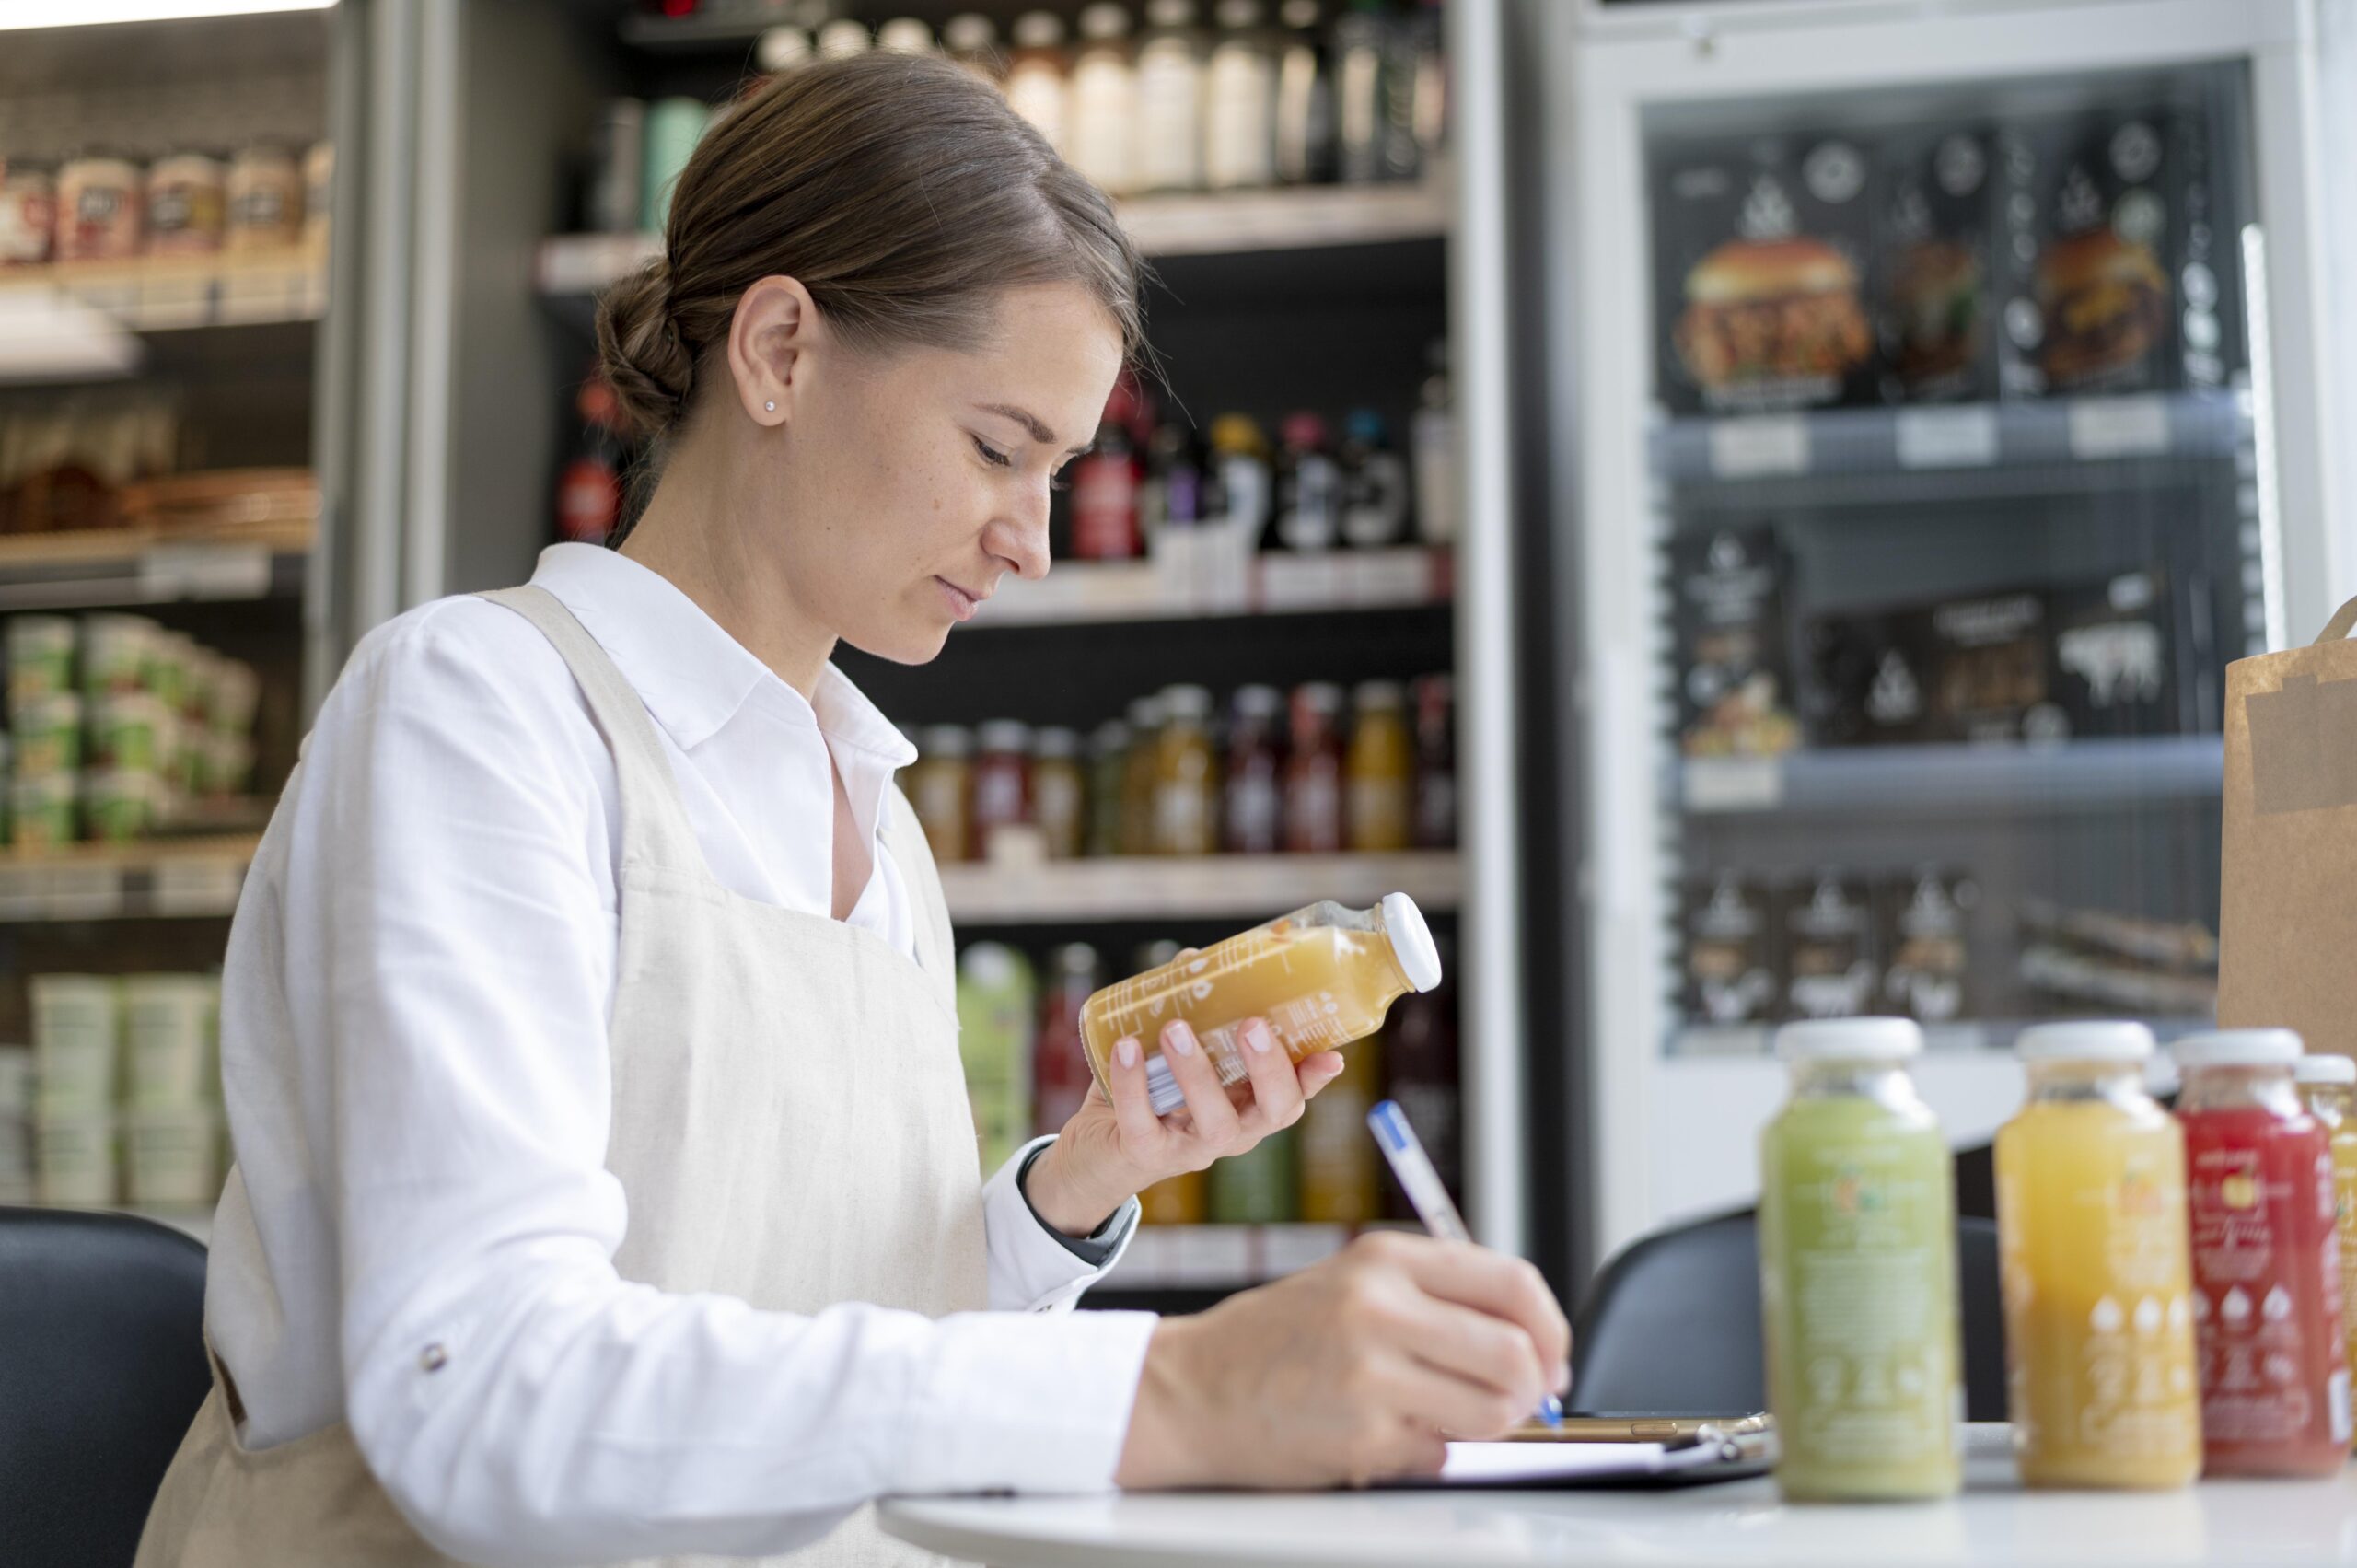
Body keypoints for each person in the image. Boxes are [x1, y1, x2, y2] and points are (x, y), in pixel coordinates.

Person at [135, 54, 1568, 1568]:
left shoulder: (877, 822)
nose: (1033, 540)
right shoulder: (475, 714)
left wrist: (1071, 1194)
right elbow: (481, 1389)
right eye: (997, 449)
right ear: (777, 351)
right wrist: (1180, 1385)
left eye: (1060, 471)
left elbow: (831, 1357)